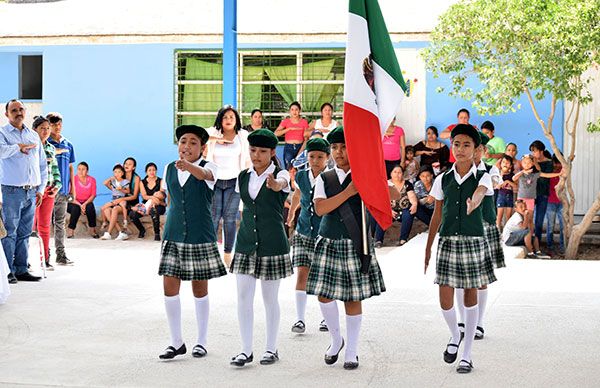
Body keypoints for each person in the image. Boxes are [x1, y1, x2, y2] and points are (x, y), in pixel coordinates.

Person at [306, 126, 395, 371]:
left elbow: (394, 193)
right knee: (324, 295)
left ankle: (352, 350)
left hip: (357, 242)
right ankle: (336, 339)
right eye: (334, 147)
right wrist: (348, 192)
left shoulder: (365, 173)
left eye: (344, 147)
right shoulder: (324, 178)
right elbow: (321, 208)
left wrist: (375, 177)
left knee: (352, 298)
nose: (339, 152)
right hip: (329, 240)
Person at [424, 124, 495, 374]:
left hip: (473, 240)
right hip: (447, 241)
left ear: (476, 149)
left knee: (469, 293)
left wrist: (474, 202)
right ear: (451, 147)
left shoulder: (483, 176)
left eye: (467, 145)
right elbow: (436, 215)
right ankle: (455, 335)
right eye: (457, 144)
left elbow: (480, 193)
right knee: (444, 297)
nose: (461, 149)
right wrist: (428, 247)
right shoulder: (442, 179)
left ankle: (467, 354)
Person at [157, 124, 227, 360]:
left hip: (200, 234)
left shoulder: (210, 167)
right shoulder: (169, 168)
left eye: (193, 142)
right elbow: (165, 194)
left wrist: (188, 166)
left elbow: (205, 176)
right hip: (173, 233)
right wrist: (148, 203)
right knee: (169, 287)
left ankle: (201, 340)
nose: (186, 146)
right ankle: (176, 342)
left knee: (199, 287)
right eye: (183, 141)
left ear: (203, 148)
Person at [229, 129, 293, 367]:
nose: (256, 155)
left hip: (272, 243)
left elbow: (283, 184)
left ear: (272, 152)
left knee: (270, 298)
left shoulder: (280, 173)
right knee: (243, 298)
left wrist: (276, 184)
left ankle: (271, 348)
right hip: (245, 243)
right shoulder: (243, 176)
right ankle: (245, 350)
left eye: (262, 151)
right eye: (253, 150)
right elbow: (244, 209)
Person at [455, 132, 505, 342]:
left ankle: (479, 322)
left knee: (481, 279)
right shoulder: (455, 171)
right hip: (461, 229)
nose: (474, 153)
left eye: (478, 149)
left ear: (483, 151)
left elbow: (492, 183)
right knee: (457, 277)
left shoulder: (489, 171)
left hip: (483, 227)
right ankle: (462, 320)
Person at [286, 138, 330, 334]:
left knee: (323, 275)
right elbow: (297, 195)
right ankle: (300, 319)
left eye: (320, 157)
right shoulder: (302, 176)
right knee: (302, 273)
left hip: (324, 231)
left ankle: (325, 318)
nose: (315, 160)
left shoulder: (330, 178)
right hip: (303, 230)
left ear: (327, 158)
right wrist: (292, 213)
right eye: (312, 156)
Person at [1, 99, 47, 283]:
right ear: (7, 114)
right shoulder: (2, 133)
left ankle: (21, 269)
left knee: (25, 232)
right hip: (11, 191)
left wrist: (41, 189)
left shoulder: (33, 135)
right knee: (10, 232)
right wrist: (17, 148)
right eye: (14, 110)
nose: (18, 112)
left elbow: (42, 165)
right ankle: (7, 272)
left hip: (32, 192)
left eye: (21, 109)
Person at [206, 105, 250, 266]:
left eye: (232, 117)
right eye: (225, 117)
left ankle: (227, 254)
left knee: (230, 219)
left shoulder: (242, 135)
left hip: (234, 181)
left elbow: (248, 158)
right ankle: (210, 253)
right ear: (220, 119)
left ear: (236, 119)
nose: (229, 120)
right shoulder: (214, 133)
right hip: (216, 181)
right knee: (214, 217)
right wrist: (218, 140)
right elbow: (199, 135)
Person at [32, 116, 61, 270]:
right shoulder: (31, 146)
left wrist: (57, 186)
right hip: (34, 191)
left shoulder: (50, 148)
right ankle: (26, 259)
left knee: (45, 226)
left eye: (48, 128)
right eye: (42, 128)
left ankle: (46, 258)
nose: (46, 131)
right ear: (34, 129)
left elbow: (55, 170)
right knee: (29, 227)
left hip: (49, 191)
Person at [47, 112, 75, 265]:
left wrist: (73, 189)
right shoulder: (46, 143)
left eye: (59, 124)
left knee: (60, 223)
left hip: (63, 191)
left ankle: (61, 255)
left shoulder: (68, 144)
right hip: (49, 190)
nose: (57, 127)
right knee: (44, 224)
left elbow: (71, 168)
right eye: (54, 124)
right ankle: (45, 256)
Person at [373, 165, 418, 247]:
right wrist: (388, 210)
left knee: (408, 214)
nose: (397, 174)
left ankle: (403, 239)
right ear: (391, 174)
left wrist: (414, 204)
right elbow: (381, 200)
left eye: (399, 172)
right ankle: (378, 240)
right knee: (383, 216)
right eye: (395, 172)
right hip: (390, 210)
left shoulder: (407, 184)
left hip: (404, 209)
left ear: (402, 174)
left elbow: (411, 196)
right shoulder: (385, 184)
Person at [513, 155, 562, 223]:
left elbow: (546, 175)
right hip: (521, 199)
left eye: (529, 163)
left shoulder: (535, 174)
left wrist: (559, 174)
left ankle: (530, 233)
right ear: (521, 163)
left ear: (532, 163)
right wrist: (522, 172)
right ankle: (523, 233)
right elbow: (514, 178)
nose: (527, 164)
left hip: (531, 199)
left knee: (530, 218)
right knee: (521, 218)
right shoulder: (520, 174)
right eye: (525, 162)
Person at [129, 162, 166, 240]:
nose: (152, 172)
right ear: (146, 172)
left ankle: (157, 233)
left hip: (159, 204)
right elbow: (144, 196)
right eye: (149, 170)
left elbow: (161, 195)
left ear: (156, 171)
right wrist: (153, 198)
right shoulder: (142, 182)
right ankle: (142, 230)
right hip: (145, 205)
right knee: (132, 214)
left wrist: (155, 200)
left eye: (154, 170)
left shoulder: (161, 181)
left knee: (154, 210)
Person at [529, 141, 554, 244]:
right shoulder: (531, 162)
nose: (533, 154)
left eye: (535, 151)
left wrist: (535, 164)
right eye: (532, 152)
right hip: (530, 194)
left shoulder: (549, 162)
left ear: (541, 151)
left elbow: (544, 178)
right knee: (529, 219)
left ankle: (537, 243)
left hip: (542, 194)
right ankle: (529, 241)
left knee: (539, 221)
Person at [67, 162, 99, 239]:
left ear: (87, 171)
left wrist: (84, 204)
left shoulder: (92, 180)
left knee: (90, 206)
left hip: (86, 202)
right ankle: (70, 230)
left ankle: (92, 230)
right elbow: (69, 197)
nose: (81, 171)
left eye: (83, 169)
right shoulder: (73, 179)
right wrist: (80, 205)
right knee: (76, 208)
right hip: (73, 202)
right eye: (79, 169)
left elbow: (93, 195)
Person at [274, 101, 309, 170]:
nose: (294, 112)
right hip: (289, 147)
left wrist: (301, 151)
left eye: (296, 109)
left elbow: (306, 138)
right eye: (292, 110)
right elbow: (276, 133)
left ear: (299, 111)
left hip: (300, 146)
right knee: (289, 168)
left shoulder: (304, 122)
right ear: (289, 111)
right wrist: (288, 129)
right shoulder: (286, 121)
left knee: (300, 168)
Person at [100, 165, 130, 240]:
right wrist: (110, 178)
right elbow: (104, 183)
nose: (117, 174)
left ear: (122, 173)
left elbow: (128, 191)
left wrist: (121, 189)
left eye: (119, 172)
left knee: (115, 209)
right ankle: (120, 232)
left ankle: (108, 233)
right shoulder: (113, 181)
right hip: (113, 200)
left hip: (121, 200)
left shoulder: (125, 181)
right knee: (105, 209)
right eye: (115, 172)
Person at [545, 155, 565, 254]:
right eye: (555, 162)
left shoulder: (564, 170)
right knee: (550, 226)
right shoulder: (549, 171)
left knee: (563, 226)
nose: (557, 165)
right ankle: (550, 246)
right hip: (550, 202)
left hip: (561, 202)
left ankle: (562, 246)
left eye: (559, 162)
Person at [495, 155, 517, 229]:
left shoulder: (512, 175)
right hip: (500, 197)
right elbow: (496, 186)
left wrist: (508, 181)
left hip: (509, 198)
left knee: (508, 217)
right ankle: (498, 232)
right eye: (503, 162)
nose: (505, 164)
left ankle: (506, 233)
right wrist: (501, 174)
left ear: (511, 166)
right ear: (500, 164)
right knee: (499, 216)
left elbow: (516, 186)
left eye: (507, 163)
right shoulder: (498, 174)